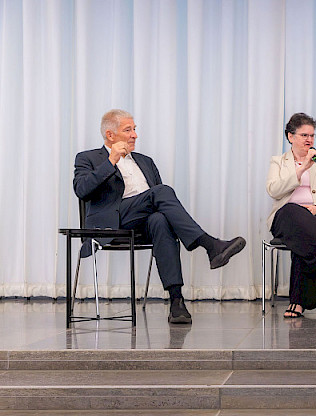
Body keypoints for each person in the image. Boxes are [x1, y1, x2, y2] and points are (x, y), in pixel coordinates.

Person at [73, 109, 246, 324]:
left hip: (142, 222)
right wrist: (111, 161)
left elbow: (162, 205)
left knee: (160, 220)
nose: (135, 135)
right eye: (128, 130)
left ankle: (176, 302)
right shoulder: (88, 158)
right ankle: (209, 244)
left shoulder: (145, 161)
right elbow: (81, 190)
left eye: (135, 129)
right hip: (112, 222)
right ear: (110, 135)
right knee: (162, 191)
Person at [266, 113, 316, 318]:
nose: (309, 140)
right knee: (294, 211)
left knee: (307, 236)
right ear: (290, 136)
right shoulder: (278, 162)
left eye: (312, 135)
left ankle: (297, 303)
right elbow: (274, 190)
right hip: (287, 217)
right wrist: (301, 170)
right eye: (304, 135)